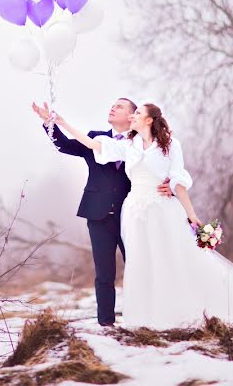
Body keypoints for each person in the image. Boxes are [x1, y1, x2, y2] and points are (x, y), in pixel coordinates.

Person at [53, 102, 233, 330]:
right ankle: (143, 318)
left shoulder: (170, 145)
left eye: (137, 114)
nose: (131, 117)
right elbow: (91, 143)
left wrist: (192, 216)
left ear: (148, 119)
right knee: (139, 263)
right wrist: (62, 122)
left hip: (161, 209)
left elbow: (178, 181)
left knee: (169, 259)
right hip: (133, 212)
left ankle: (179, 310)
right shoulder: (129, 145)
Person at [32, 99, 172, 327]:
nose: (112, 107)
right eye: (112, 105)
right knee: (104, 274)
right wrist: (49, 122)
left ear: (131, 116)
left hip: (132, 215)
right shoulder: (95, 137)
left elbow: (161, 170)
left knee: (138, 268)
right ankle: (106, 324)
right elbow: (65, 146)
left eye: (120, 106)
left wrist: (171, 185)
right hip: (97, 214)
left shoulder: (143, 144)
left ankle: (146, 319)